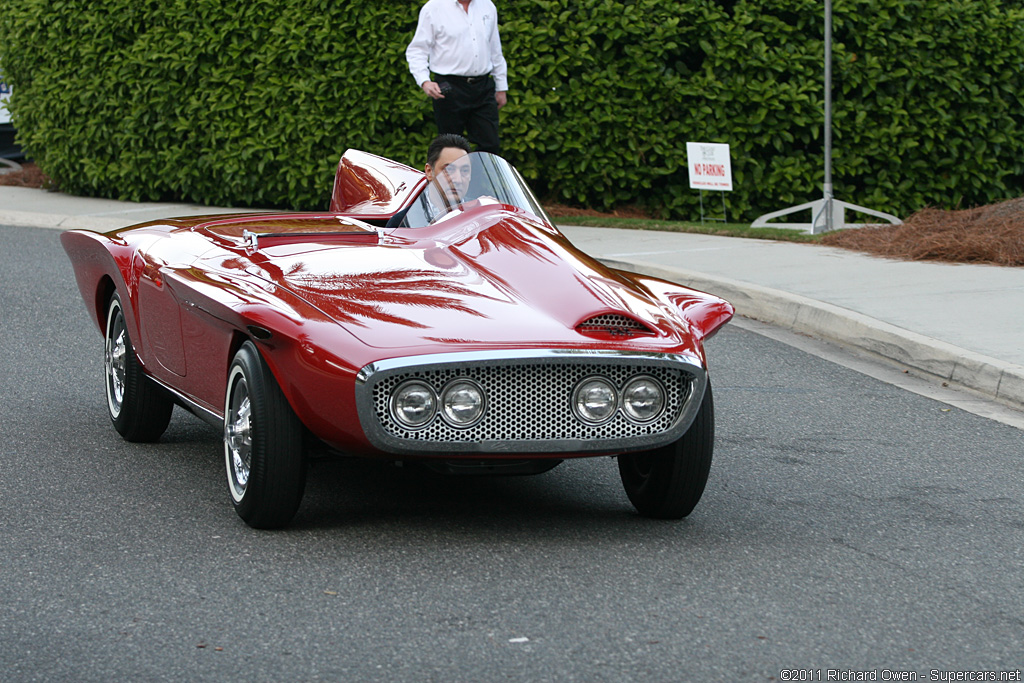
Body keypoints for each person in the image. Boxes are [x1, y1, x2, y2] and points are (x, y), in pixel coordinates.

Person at [405, 0, 508, 154]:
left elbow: (495, 48)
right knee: (450, 149)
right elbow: (417, 50)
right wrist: (425, 81)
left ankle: (481, 179)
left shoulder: (487, 6)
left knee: (490, 146)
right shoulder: (433, 8)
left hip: (483, 86)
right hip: (449, 88)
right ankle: (449, 179)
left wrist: (501, 87)